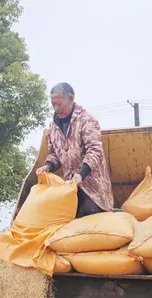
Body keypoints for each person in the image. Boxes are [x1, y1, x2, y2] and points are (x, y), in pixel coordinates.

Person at [36, 82, 115, 218]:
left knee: (91, 218)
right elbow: (54, 154)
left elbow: (95, 150)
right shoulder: (53, 128)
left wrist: (81, 174)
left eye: (59, 104)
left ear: (71, 98)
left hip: (93, 189)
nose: (56, 108)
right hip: (70, 188)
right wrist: (48, 166)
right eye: (53, 104)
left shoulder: (86, 121)